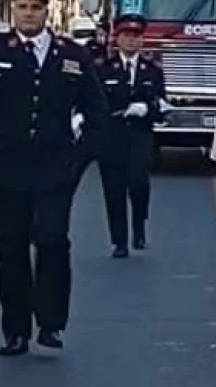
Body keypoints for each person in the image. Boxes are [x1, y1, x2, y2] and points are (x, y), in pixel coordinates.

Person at [0, 0, 109, 357]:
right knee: (10, 249)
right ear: (13, 10)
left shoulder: (72, 54)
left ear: (47, 10)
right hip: (4, 165)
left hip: (55, 164)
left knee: (52, 240)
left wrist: (83, 153)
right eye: (22, 7)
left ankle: (51, 323)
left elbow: (96, 109)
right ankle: (15, 329)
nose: (28, 14)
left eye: (36, 7)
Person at [94, 13, 166, 258]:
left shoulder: (152, 71)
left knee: (138, 184)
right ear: (117, 39)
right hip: (111, 138)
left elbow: (162, 105)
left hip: (140, 137)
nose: (131, 41)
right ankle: (119, 241)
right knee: (113, 190)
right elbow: (94, 102)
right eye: (126, 36)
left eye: (136, 36)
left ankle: (139, 228)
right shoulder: (103, 68)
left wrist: (148, 109)